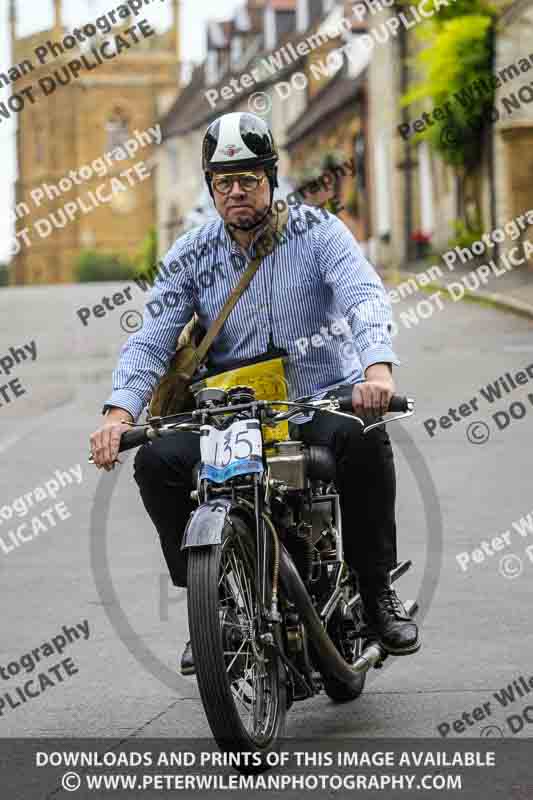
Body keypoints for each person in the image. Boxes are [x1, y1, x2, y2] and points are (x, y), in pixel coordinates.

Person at [90, 111, 419, 676]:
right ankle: (210, 605)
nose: (236, 191)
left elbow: (364, 296)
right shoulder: (191, 254)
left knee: (366, 436)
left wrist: (377, 373)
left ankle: (373, 589)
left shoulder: (319, 233)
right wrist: (119, 412)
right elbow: (151, 337)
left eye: (247, 178)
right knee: (156, 462)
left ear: (271, 177)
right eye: (223, 182)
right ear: (210, 187)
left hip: (313, 399)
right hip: (230, 414)